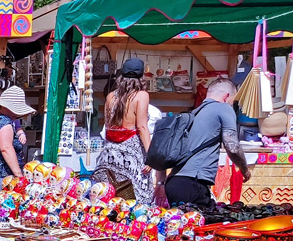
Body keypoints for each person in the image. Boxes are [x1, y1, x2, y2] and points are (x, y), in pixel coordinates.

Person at [162, 77, 250, 208]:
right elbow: (232, 147)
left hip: (174, 182)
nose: (232, 106)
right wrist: (244, 169)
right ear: (226, 97)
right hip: (192, 184)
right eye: (233, 102)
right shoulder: (223, 108)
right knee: (205, 226)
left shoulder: (193, 113)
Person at [92, 59, 155, 204]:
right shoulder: (141, 96)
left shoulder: (110, 96)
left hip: (110, 152)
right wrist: (152, 156)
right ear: (141, 76)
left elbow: (108, 126)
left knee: (110, 195)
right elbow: (142, 127)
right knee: (137, 195)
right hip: (131, 151)